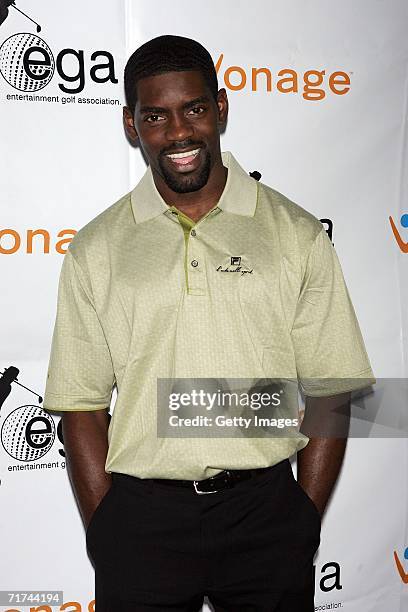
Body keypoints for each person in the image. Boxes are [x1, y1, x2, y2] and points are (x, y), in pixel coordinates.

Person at [43, 35, 375, 611]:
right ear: (131, 124)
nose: (178, 133)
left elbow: (334, 387)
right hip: (142, 523)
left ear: (221, 108)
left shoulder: (294, 233)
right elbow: (81, 402)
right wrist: (108, 527)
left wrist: (301, 519)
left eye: (193, 109)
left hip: (266, 513)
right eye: (156, 116)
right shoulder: (96, 247)